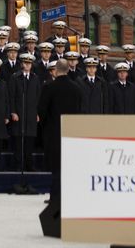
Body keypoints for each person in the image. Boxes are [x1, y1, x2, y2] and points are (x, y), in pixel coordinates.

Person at [38, 60, 82, 198]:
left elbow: (41, 111)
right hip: (71, 132)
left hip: (53, 133)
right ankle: (69, 195)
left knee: (56, 167)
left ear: (56, 70)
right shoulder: (76, 88)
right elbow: (80, 110)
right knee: (69, 166)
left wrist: (46, 126)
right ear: (68, 69)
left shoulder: (49, 87)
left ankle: (55, 197)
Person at [9, 52, 41, 171]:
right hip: (19, 114)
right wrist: (13, 112)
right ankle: (18, 166)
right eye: (25, 63)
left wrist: (37, 113)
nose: (27, 65)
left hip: (31, 115)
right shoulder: (15, 77)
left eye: (29, 63)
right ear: (22, 64)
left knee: (29, 142)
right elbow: (11, 96)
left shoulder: (35, 78)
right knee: (18, 143)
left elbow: (38, 97)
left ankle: (29, 165)